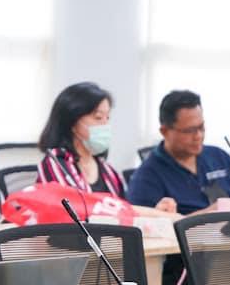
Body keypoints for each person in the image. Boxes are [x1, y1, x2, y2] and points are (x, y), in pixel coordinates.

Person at [37, 82, 177, 214]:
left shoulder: (107, 170)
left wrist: (156, 213)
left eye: (107, 117)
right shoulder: (55, 163)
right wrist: (148, 214)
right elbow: (78, 212)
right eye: (98, 118)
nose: (105, 125)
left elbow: (124, 212)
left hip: (107, 233)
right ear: (72, 122)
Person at [128, 90, 230, 215]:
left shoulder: (219, 156)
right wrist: (210, 214)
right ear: (165, 131)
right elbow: (144, 225)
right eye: (189, 131)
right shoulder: (146, 177)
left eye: (201, 127)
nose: (198, 136)